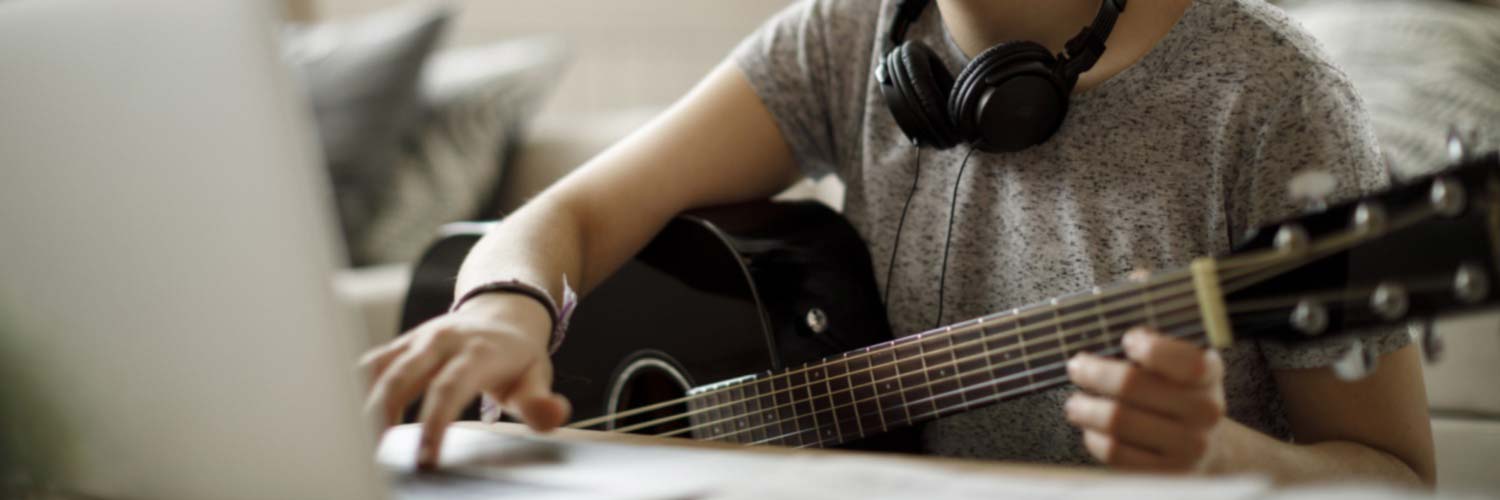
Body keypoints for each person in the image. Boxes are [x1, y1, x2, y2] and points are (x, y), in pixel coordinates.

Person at [358, 0, 1435, 486]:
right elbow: (569, 216)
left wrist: (1233, 462)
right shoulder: (847, 37)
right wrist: (505, 306)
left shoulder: (1275, 103)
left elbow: (1395, 475)